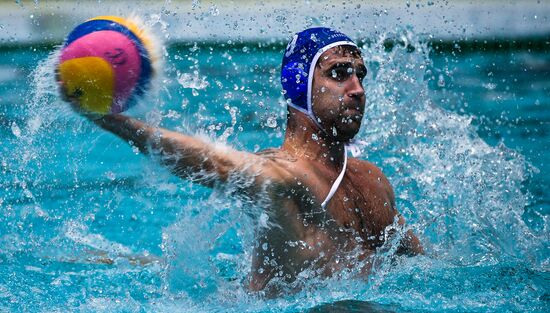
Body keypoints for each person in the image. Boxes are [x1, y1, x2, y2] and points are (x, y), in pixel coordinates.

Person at [66, 27, 422, 295]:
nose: (357, 88)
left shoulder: (372, 181)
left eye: (361, 74)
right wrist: (108, 119)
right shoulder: (282, 175)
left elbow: (425, 268)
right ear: (298, 84)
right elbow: (213, 161)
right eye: (339, 73)